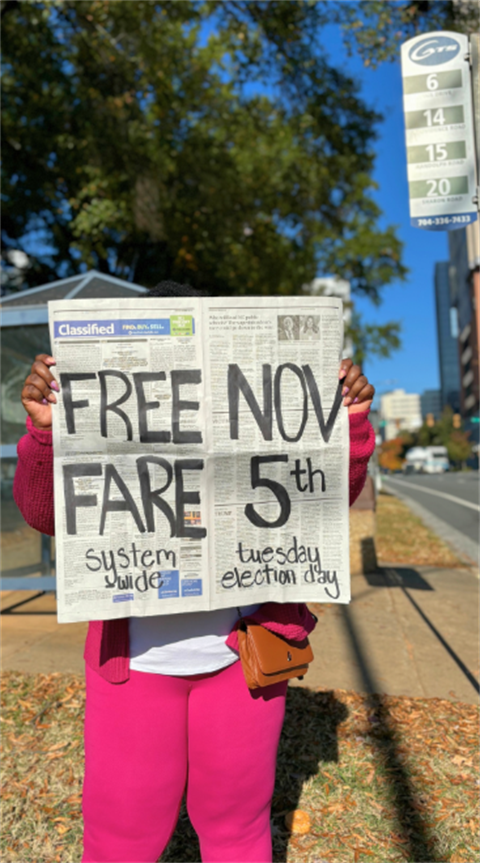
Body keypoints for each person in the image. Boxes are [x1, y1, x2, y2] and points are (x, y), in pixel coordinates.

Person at [14, 282, 375, 863]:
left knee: (237, 828)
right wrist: (47, 433)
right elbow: (42, 513)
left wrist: (350, 427)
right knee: (121, 836)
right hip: (134, 667)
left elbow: (315, 504)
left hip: (243, 664)